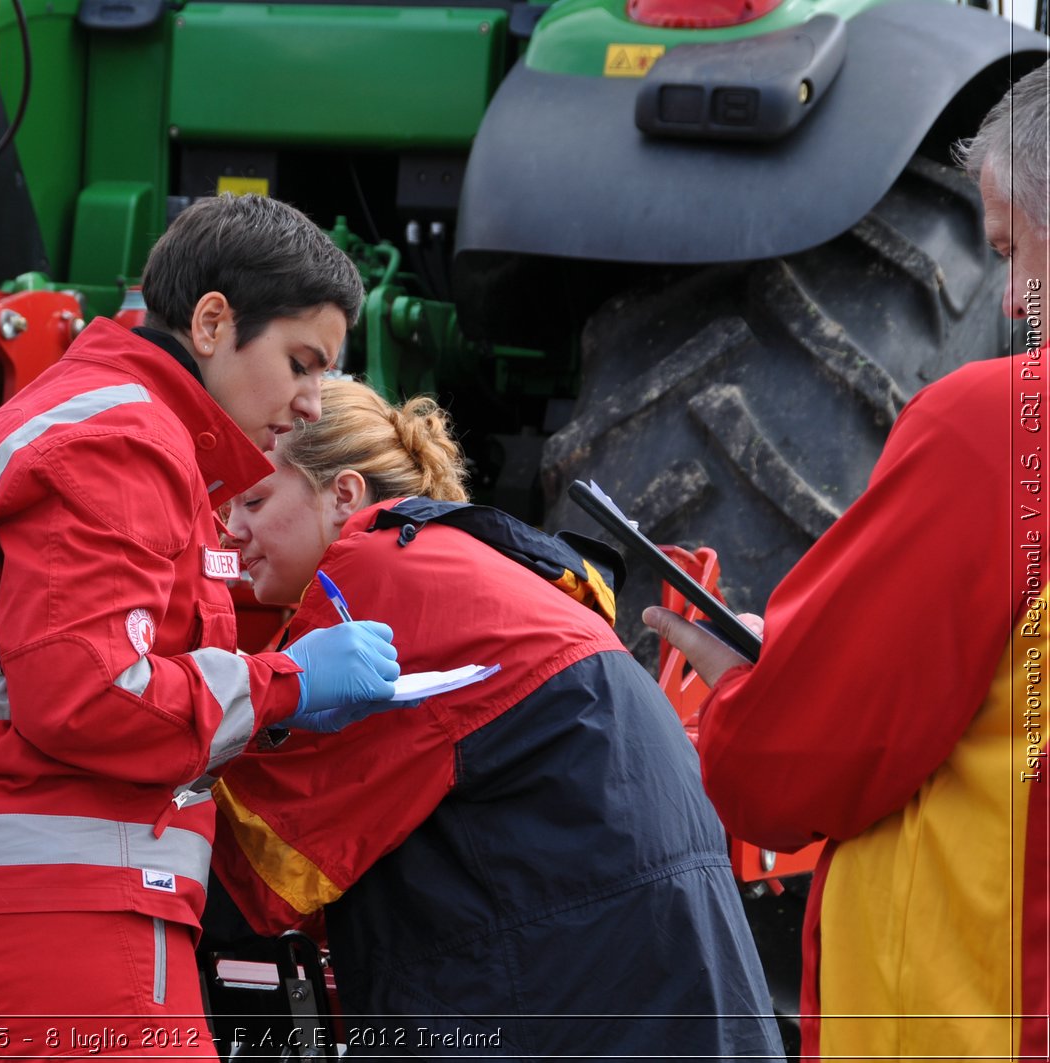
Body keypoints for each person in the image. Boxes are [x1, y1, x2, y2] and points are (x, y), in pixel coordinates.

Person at [0, 195, 414, 1060]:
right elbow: (93, 694)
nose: (315, 403)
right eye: (302, 362)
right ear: (213, 321)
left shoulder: (48, 420)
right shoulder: (124, 438)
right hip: (39, 914)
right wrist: (289, 682)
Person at [644, 65, 1050, 1060]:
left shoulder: (997, 432)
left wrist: (746, 689)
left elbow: (801, 767)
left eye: (1012, 248)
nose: (1010, 298)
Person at [212, 379, 786, 1058]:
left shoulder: (372, 580)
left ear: (343, 495)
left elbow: (260, 859)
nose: (231, 528)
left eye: (254, 499)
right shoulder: (479, 564)